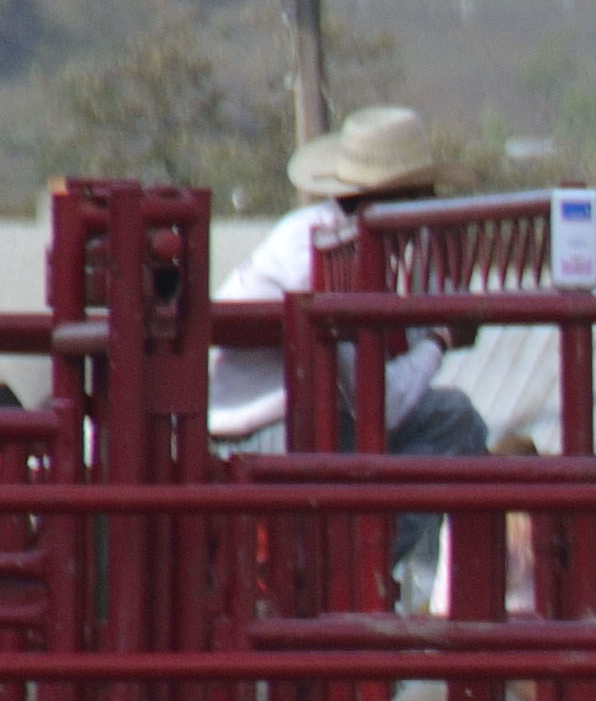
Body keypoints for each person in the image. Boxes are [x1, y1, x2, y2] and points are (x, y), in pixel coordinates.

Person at [207, 104, 491, 462]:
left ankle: (391, 517)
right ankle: (391, 520)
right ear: (393, 198)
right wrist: (442, 337)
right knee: (451, 421)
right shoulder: (324, 250)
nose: (427, 208)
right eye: (420, 195)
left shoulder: (340, 240)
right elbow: (379, 403)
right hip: (271, 432)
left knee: (453, 416)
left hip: (302, 421)